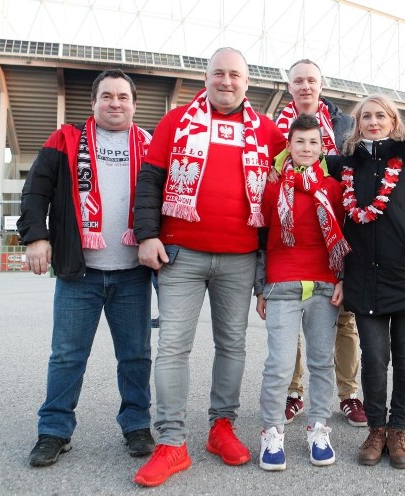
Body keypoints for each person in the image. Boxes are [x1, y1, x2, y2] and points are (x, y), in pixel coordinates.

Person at [132, 47, 286, 487]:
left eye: (235, 74)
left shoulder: (268, 131)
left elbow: (294, 182)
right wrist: (147, 234)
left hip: (239, 257)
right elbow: (151, 179)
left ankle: (222, 427)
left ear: (247, 82)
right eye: (218, 73)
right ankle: (172, 442)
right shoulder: (177, 121)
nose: (226, 81)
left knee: (232, 345)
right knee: (173, 348)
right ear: (206, 77)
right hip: (180, 253)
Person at [18, 69, 155, 467]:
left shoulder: (148, 144)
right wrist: (36, 236)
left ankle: (137, 426)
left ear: (134, 103)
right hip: (80, 272)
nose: (115, 103)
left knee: (135, 355)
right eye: (107, 96)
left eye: (123, 97)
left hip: (132, 271)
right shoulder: (64, 140)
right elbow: (36, 190)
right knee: (66, 355)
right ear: (93, 103)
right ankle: (54, 432)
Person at [336, 94, 405, 469]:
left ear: (392, 121)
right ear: (357, 124)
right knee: (373, 357)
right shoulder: (346, 166)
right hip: (364, 276)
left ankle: (398, 429)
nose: (372, 121)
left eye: (380, 115)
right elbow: (301, 161)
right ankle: (376, 428)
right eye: (365, 116)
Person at [254, 114, 349, 470]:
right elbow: (261, 240)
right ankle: (272, 432)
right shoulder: (273, 188)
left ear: (322, 148)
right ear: (289, 146)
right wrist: (260, 288)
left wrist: (342, 279)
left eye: (313, 143)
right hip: (281, 284)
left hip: (325, 285)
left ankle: (319, 428)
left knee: (322, 361)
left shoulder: (333, 189)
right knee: (279, 364)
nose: (306, 148)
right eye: (299, 142)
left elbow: (342, 237)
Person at [275, 59, 366, 428]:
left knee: (345, 321)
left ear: (321, 84)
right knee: (292, 319)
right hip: (293, 238)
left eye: (311, 80)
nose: (305, 87)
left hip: (337, 234)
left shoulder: (345, 124)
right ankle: (294, 393)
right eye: (298, 81)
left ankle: (349, 395)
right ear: (290, 86)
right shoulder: (271, 129)